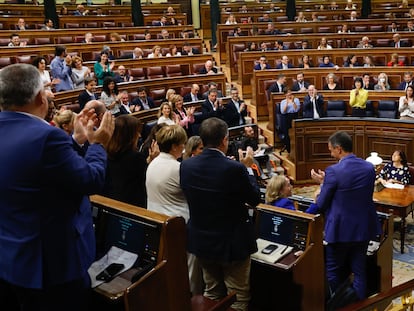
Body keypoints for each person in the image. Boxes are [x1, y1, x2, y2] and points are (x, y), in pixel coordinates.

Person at [0, 63, 114, 311]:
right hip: (53, 265)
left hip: (13, 260)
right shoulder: (46, 137)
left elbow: (35, 169)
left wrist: (76, 140)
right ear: (40, 97)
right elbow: (91, 181)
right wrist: (98, 145)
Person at [180, 117, 261, 311]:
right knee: (239, 297)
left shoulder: (186, 166)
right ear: (225, 140)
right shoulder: (235, 168)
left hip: (202, 241)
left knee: (212, 292)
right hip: (232, 244)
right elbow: (254, 199)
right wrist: (248, 169)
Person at [310, 131, 380, 301]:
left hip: (340, 230)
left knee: (333, 270)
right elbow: (353, 192)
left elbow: (322, 204)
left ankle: (339, 304)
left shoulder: (333, 171)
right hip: (363, 228)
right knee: (359, 271)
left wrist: (323, 184)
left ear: (339, 149)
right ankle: (359, 305)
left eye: (331, 150)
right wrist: (327, 181)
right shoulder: (369, 167)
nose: (330, 153)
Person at [146, 124, 202, 294]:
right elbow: (194, 196)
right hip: (179, 224)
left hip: (157, 220)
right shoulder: (178, 168)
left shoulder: (152, 163)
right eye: (182, 144)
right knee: (191, 264)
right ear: (174, 146)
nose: (184, 147)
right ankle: (194, 297)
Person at [104, 115, 147, 207]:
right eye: (137, 132)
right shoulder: (136, 158)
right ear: (129, 135)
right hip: (132, 207)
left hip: (111, 202)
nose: (139, 135)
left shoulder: (106, 153)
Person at [280, 89, 300, 153]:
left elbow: (296, 109)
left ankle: (296, 148)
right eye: (288, 93)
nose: (289, 94)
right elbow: (283, 111)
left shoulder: (296, 100)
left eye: (290, 93)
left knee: (295, 132)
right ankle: (289, 149)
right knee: (287, 133)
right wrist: (287, 103)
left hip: (294, 116)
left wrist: (293, 101)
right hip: (286, 117)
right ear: (285, 94)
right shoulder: (283, 101)